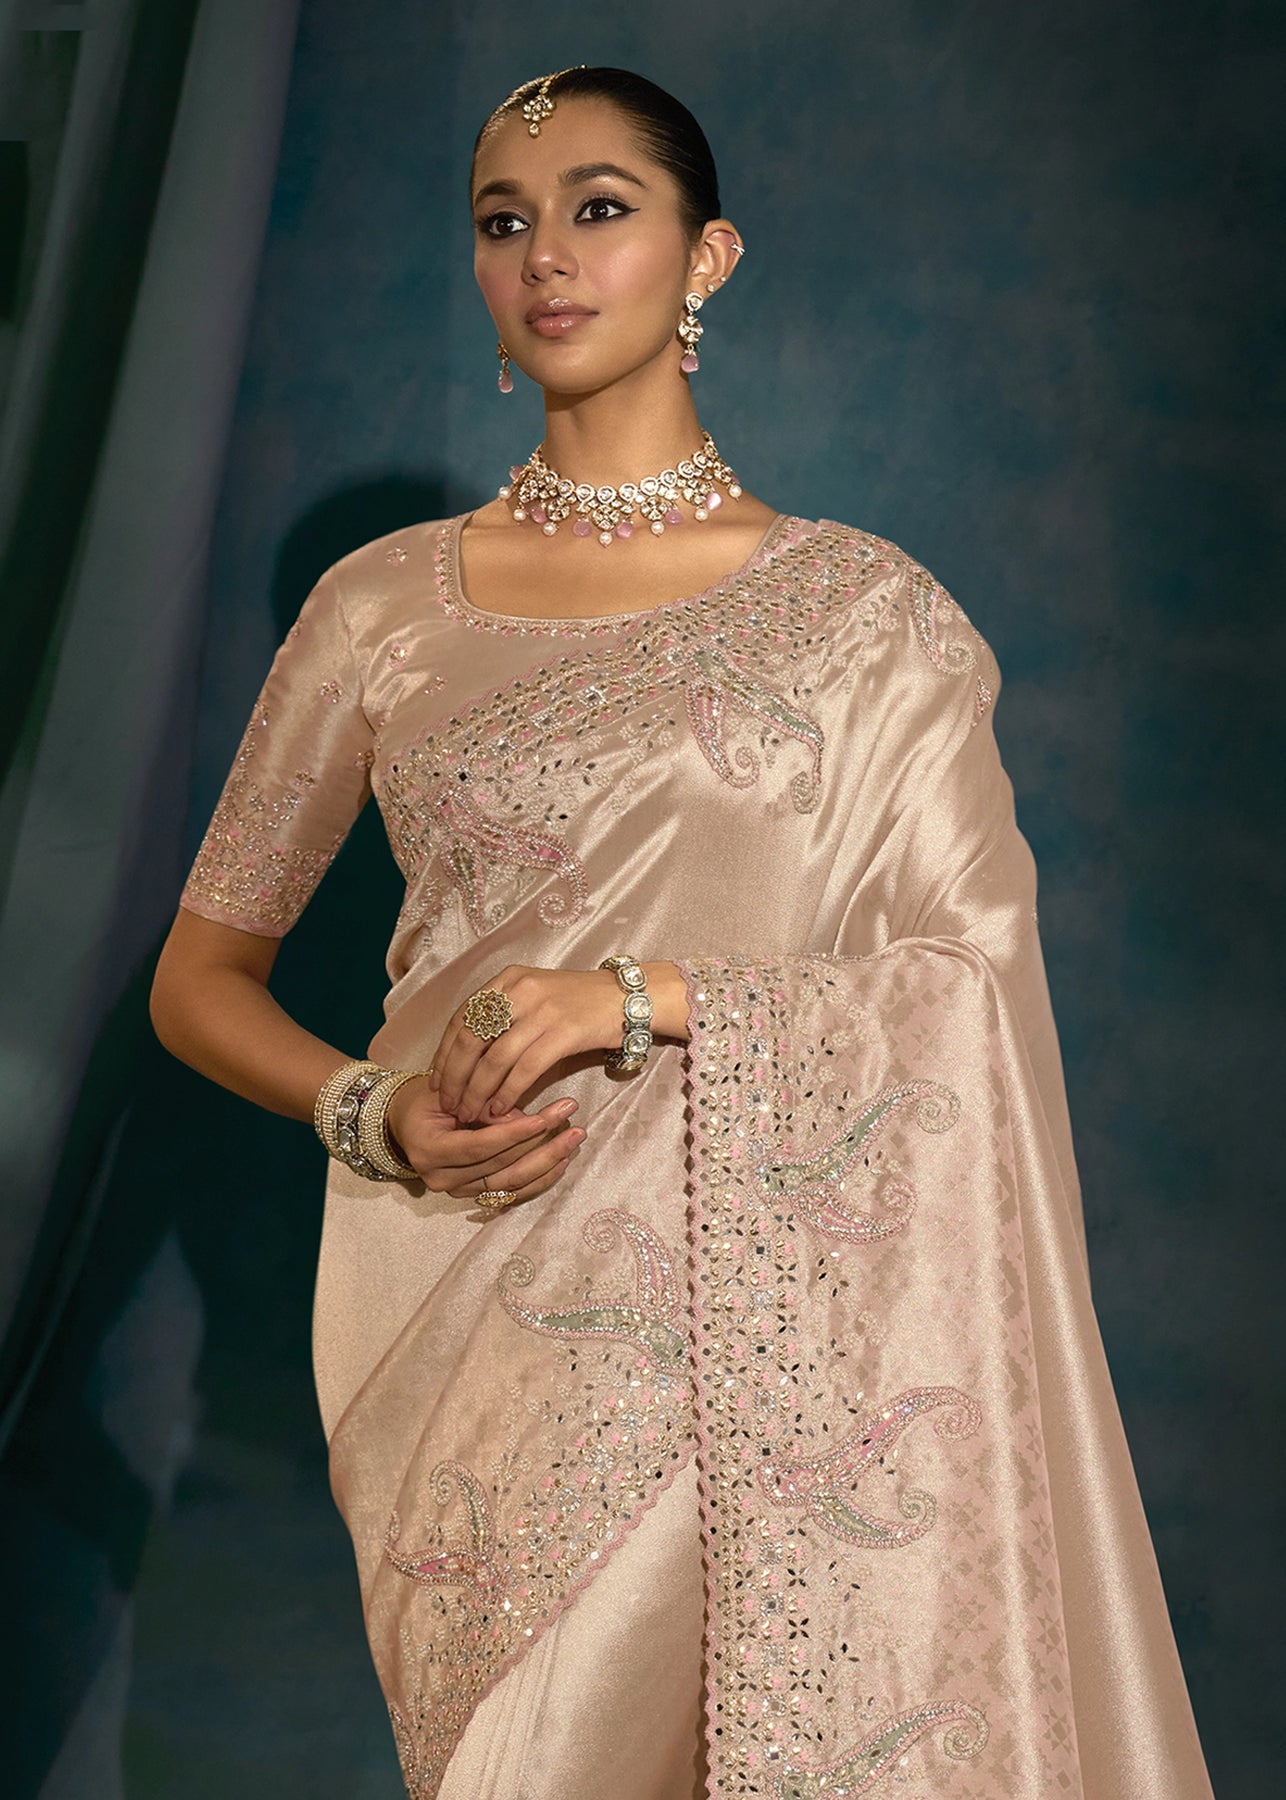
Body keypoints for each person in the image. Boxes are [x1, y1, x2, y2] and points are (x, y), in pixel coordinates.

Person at [149, 64, 1215, 1800]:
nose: (545, 257)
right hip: (468, 1294)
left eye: (599, 208)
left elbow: (962, 984)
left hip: (776, 1333)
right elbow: (199, 979)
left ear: (706, 256)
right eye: (503, 221)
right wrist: (372, 1110)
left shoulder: (864, 620)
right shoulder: (380, 608)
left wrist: (633, 998)